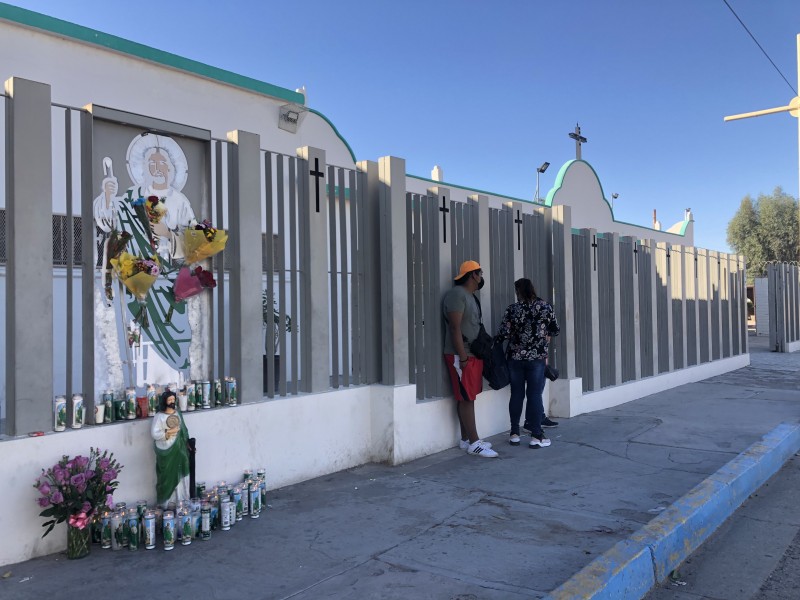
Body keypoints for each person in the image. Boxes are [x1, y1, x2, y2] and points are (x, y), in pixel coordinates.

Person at [93, 134, 196, 374]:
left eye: (163, 164)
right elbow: (109, 224)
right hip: (140, 280)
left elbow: (194, 244)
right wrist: (108, 196)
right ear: (143, 169)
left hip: (170, 285)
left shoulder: (180, 202)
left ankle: (175, 385)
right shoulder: (131, 197)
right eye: (152, 163)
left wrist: (168, 234)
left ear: (172, 169)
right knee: (142, 344)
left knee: (177, 334)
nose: (158, 168)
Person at [495, 278, 560, 448]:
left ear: (519, 292)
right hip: (537, 358)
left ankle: (514, 433)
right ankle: (536, 435)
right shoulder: (545, 307)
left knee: (516, 394)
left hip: (515, 359)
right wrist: (543, 338)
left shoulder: (512, 309)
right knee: (534, 395)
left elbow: (503, 333)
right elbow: (555, 329)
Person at [443, 260, 498, 458]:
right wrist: (463, 357)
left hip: (471, 354)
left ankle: (467, 439)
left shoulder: (470, 297)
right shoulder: (457, 295)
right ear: (473, 275)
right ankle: (475, 443)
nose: (481, 277)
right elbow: (454, 327)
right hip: (462, 355)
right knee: (467, 397)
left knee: (467, 396)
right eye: (480, 273)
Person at [151, 389, 191, 506]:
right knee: (167, 476)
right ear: (165, 401)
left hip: (180, 449)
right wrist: (168, 433)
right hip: (166, 451)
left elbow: (183, 430)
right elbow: (155, 433)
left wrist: (188, 443)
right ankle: (168, 503)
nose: (172, 401)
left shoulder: (177, 413)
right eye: (170, 400)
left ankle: (182, 499)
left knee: (183, 469)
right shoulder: (159, 416)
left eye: (173, 399)